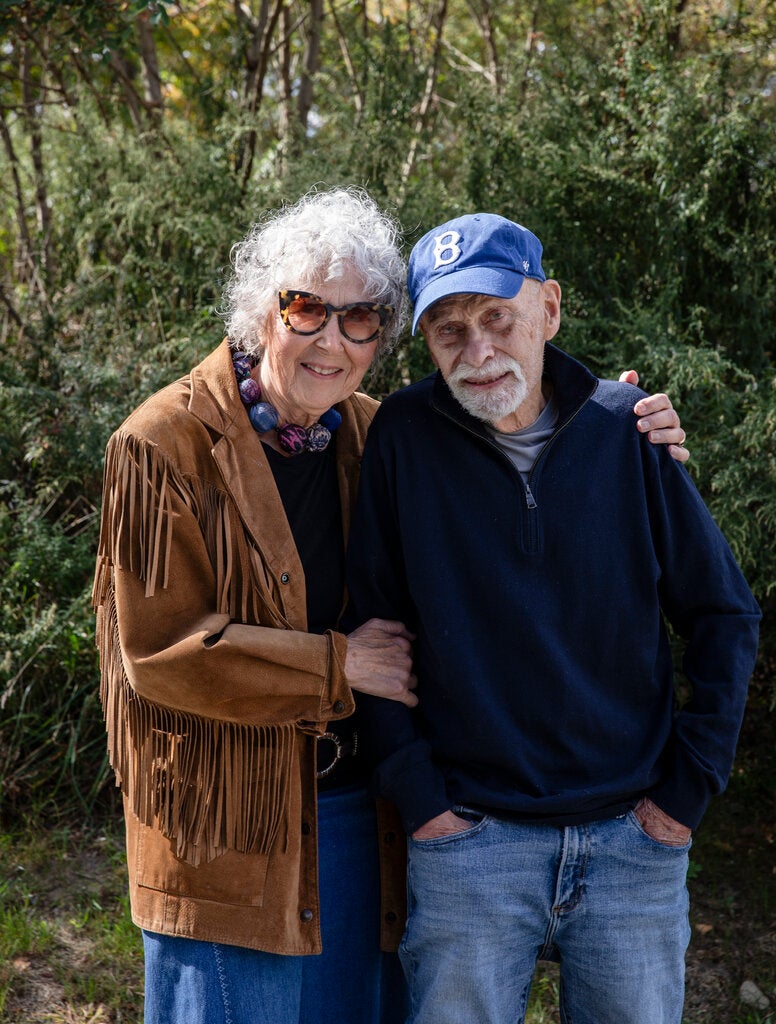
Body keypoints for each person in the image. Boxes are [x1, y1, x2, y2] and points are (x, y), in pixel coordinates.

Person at [92, 189, 690, 1024]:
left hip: (358, 820)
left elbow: (524, 430)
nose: (331, 338)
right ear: (262, 311)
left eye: (361, 319)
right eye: (307, 309)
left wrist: (620, 420)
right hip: (232, 833)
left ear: (381, 337)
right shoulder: (161, 445)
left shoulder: (375, 434)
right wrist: (340, 664)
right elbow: (155, 654)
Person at [345, 212, 761, 1024]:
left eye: (497, 317)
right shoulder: (401, 436)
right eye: (448, 330)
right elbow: (376, 627)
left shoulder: (625, 431)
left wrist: (683, 799)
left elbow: (724, 614)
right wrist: (423, 803)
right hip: (469, 844)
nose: (478, 350)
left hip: (632, 843)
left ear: (551, 310)